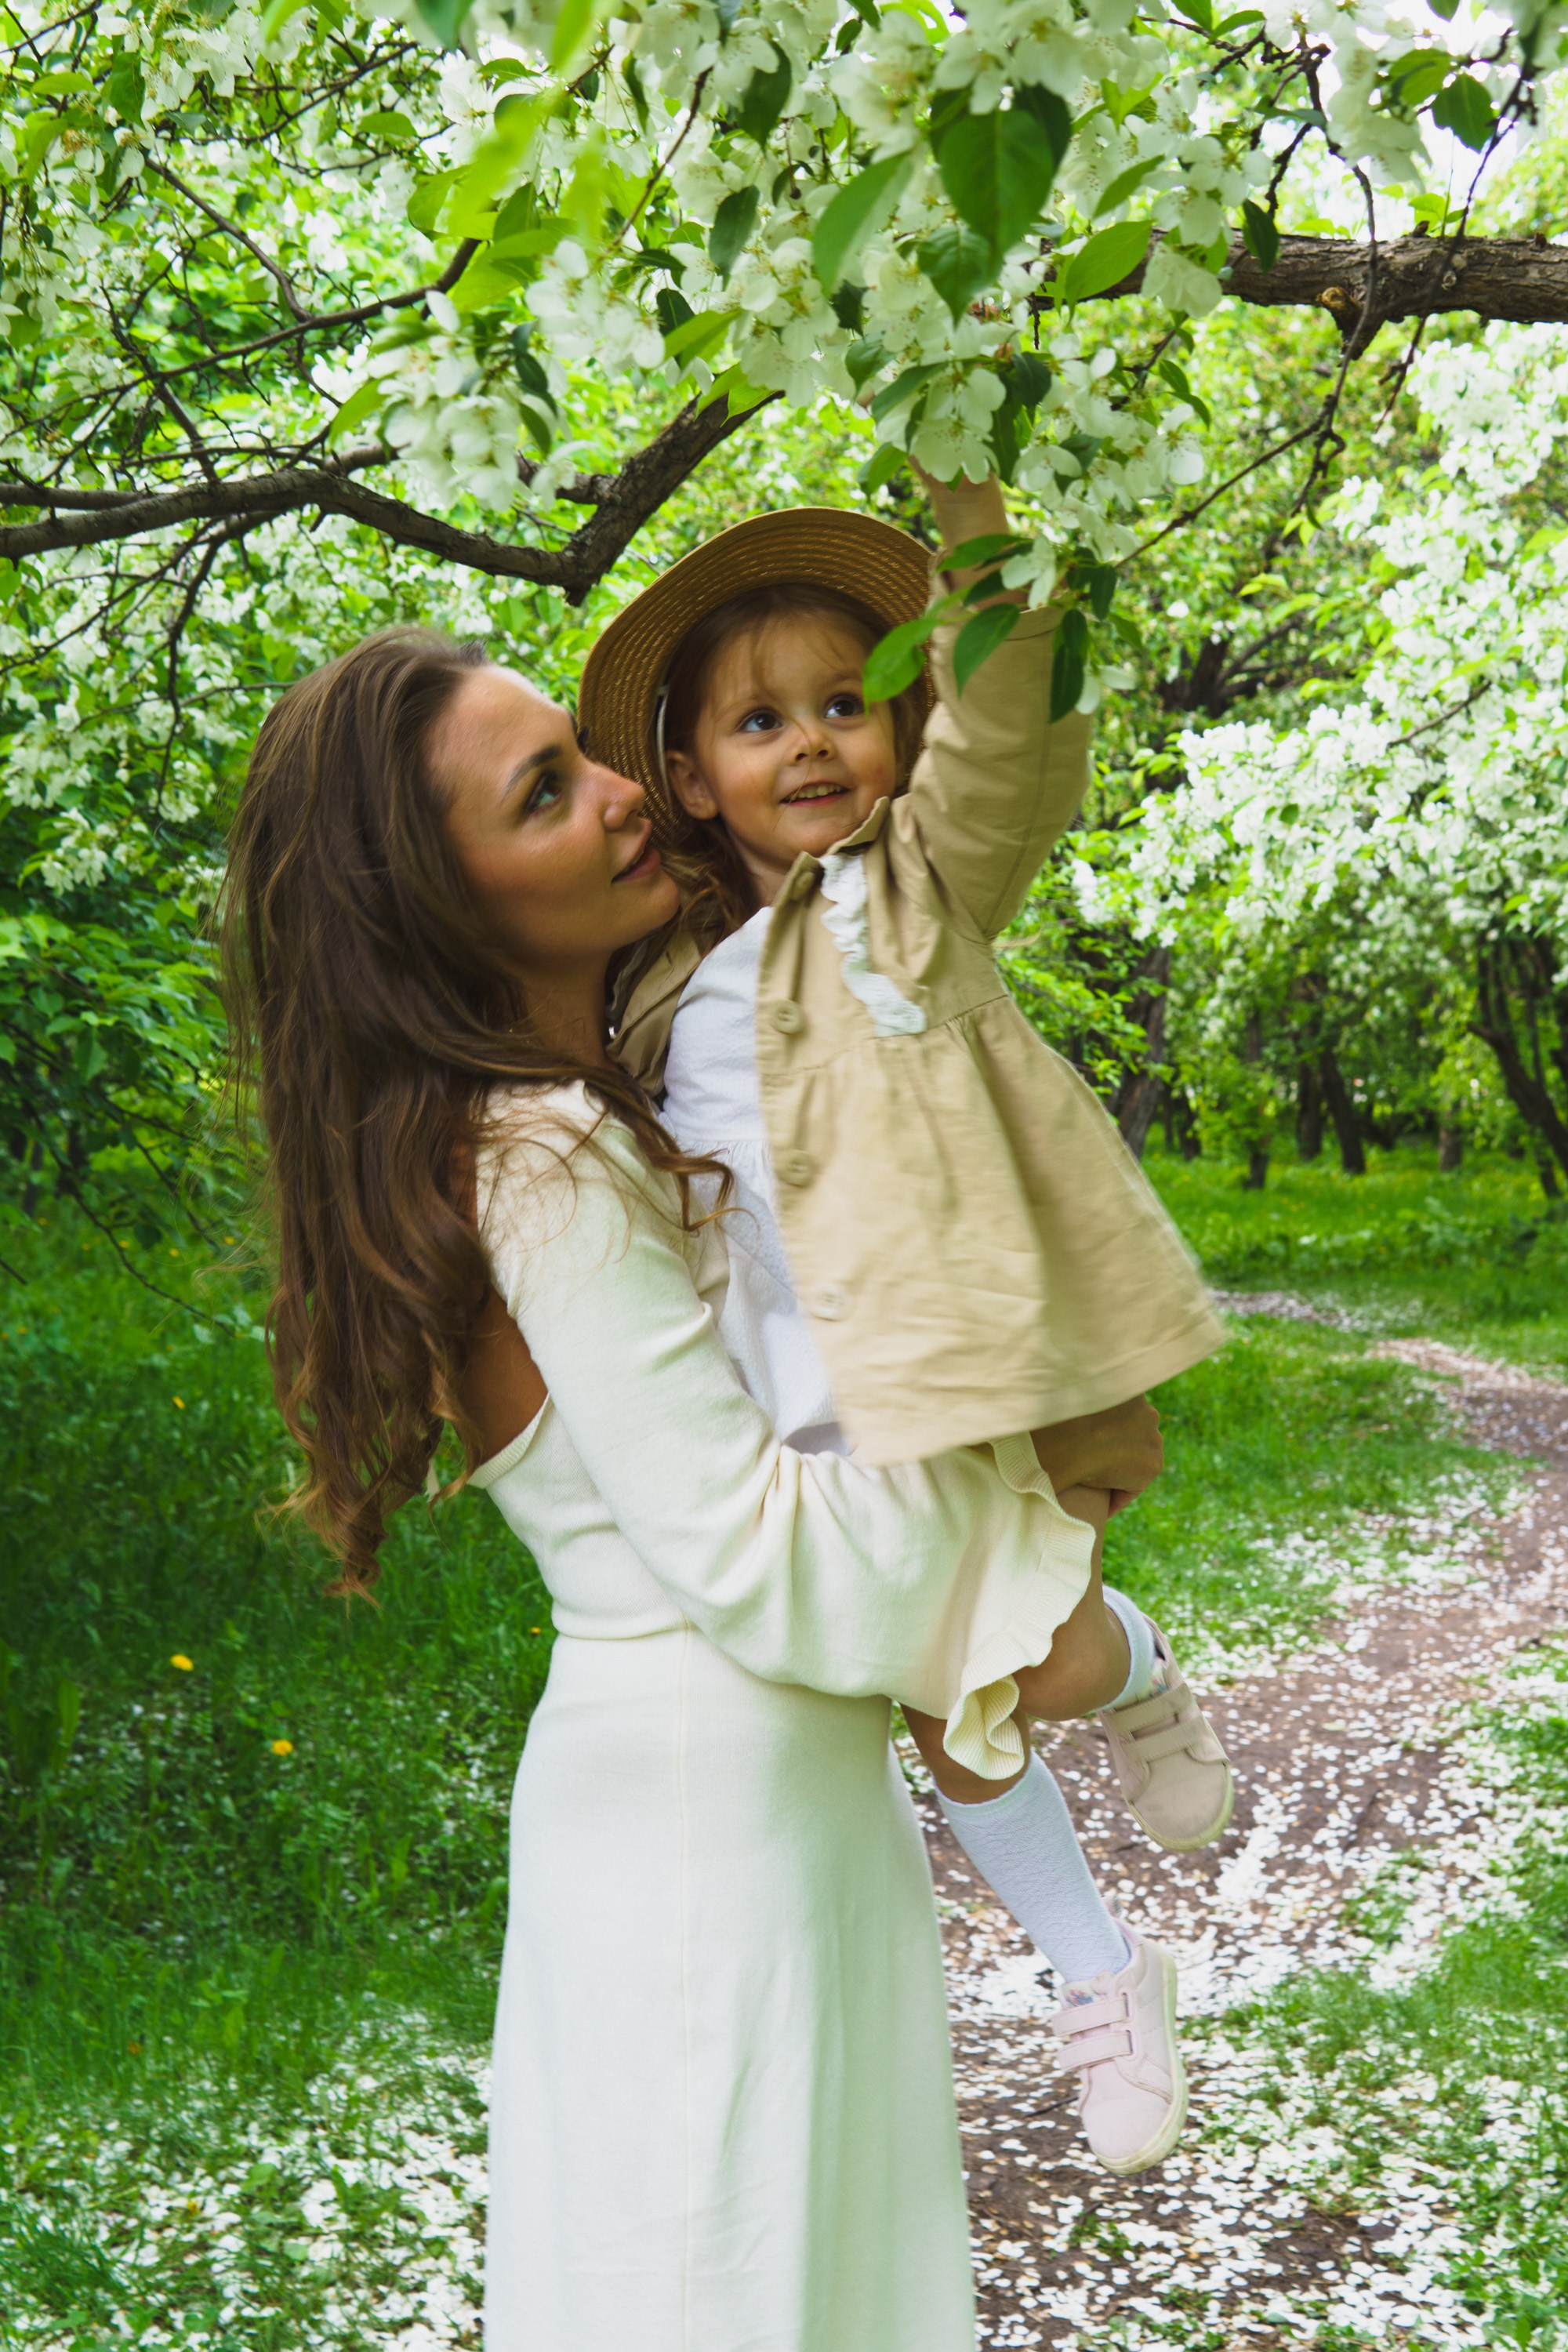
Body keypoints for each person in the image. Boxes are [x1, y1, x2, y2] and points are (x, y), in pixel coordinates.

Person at [223, 626, 1186, 2352]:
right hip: (704, 1842)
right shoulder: (541, 1162)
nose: (616, 793)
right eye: (542, 795)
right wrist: (1015, 1504)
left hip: (773, 1810)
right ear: (437, 911)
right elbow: (766, 1555)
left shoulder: (612, 1101)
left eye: (578, 756)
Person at [576, 474, 1234, 2032]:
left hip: (942, 1379)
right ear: (686, 775)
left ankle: (1107, 1879)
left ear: (898, 733)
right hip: (788, 1411)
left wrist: (977, 534)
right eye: (759, 723)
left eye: (843, 705)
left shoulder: (914, 893)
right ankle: (1102, 1945)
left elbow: (1012, 740)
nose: (809, 741)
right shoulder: (648, 976)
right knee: (953, 1698)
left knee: (1003, 1686)